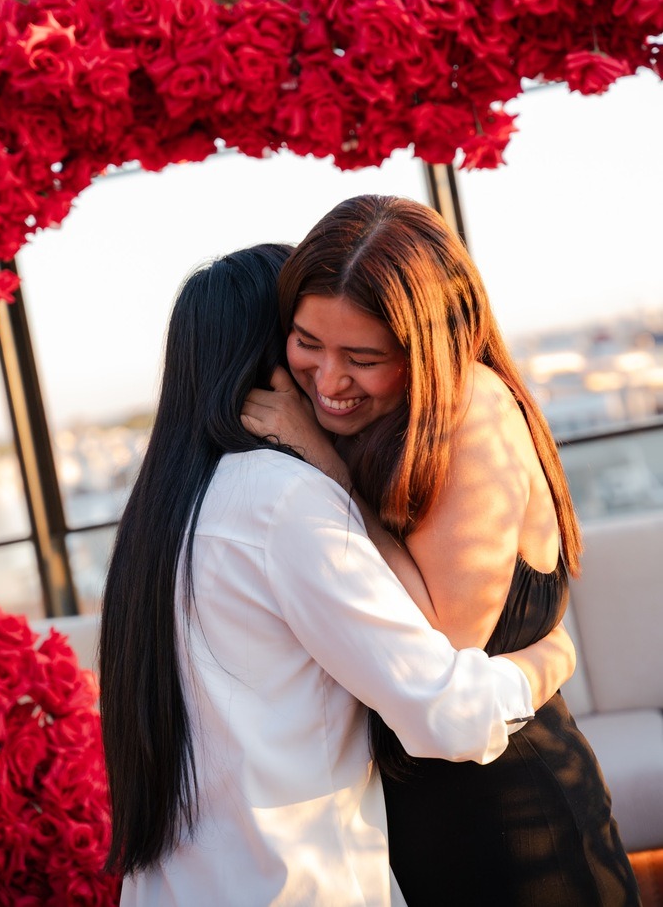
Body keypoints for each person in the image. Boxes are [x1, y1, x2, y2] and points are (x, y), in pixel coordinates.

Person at [99, 242, 576, 907]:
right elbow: (444, 713)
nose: (328, 371)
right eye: (308, 339)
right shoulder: (281, 498)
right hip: (296, 884)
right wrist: (547, 662)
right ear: (273, 356)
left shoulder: (155, 517)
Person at [242, 196, 641, 907]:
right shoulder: (372, 419)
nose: (329, 381)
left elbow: (434, 651)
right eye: (307, 343)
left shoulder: (472, 413)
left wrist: (328, 476)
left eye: (362, 358)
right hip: (411, 826)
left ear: (426, 348)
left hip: (514, 826)